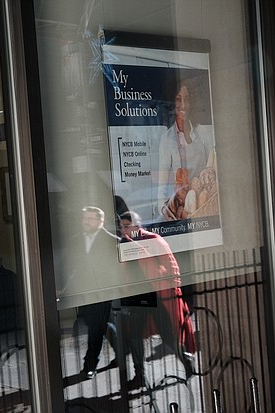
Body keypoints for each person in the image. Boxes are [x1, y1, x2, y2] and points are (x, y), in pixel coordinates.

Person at [118, 211, 196, 390]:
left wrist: (171, 290)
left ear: (137, 226)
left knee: (169, 336)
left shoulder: (153, 239)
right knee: (135, 336)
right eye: (122, 227)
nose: (124, 230)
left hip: (159, 295)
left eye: (127, 226)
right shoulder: (124, 244)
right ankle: (140, 376)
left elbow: (172, 265)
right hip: (138, 297)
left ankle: (186, 360)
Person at [71, 206, 121, 379]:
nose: (86, 221)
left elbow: (116, 270)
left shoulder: (111, 241)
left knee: (95, 329)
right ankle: (122, 354)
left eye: (90, 218)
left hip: (103, 295)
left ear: (100, 222)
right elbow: (75, 267)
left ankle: (89, 365)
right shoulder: (77, 240)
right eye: (84, 218)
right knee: (104, 327)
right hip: (86, 294)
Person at [158, 81, 214, 219]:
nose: (183, 105)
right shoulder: (167, 139)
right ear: (172, 103)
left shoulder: (202, 132)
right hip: (183, 208)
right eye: (178, 99)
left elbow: (211, 168)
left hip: (204, 204)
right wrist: (164, 210)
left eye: (187, 99)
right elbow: (162, 186)